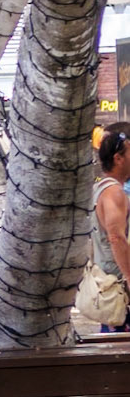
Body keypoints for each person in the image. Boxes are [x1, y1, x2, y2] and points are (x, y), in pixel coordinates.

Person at [85, 121, 130, 329]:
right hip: (118, 287)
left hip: (108, 284)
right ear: (118, 158)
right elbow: (116, 237)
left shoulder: (99, 188)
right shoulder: (114, 192)